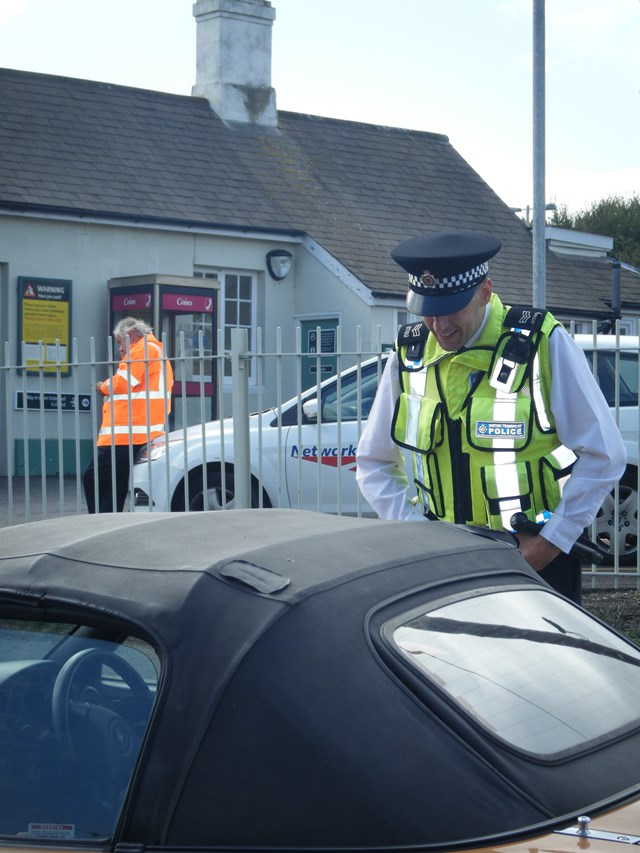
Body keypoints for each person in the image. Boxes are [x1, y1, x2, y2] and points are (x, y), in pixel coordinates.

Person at [356, 230, 626, 603]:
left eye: (452, 308)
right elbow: (373, 462)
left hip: (533, 559)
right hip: (441, 559)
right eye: (429, 312)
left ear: (485, 292)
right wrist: (415, 532)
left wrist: (550, 542)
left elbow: (605, 454)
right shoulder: (410, 353)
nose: (440, 326)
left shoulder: (542, 343)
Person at [83, 317, 174, 513]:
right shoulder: (157, 353)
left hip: (126, 435)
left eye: (119, 342)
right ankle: (107, 520)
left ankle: (98, 520)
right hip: (140, 431)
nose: (120, 350)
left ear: (131, 335)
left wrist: (102, 387)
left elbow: (122, 382)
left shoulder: (143, 349)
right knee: (115, 482)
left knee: (92, 477)